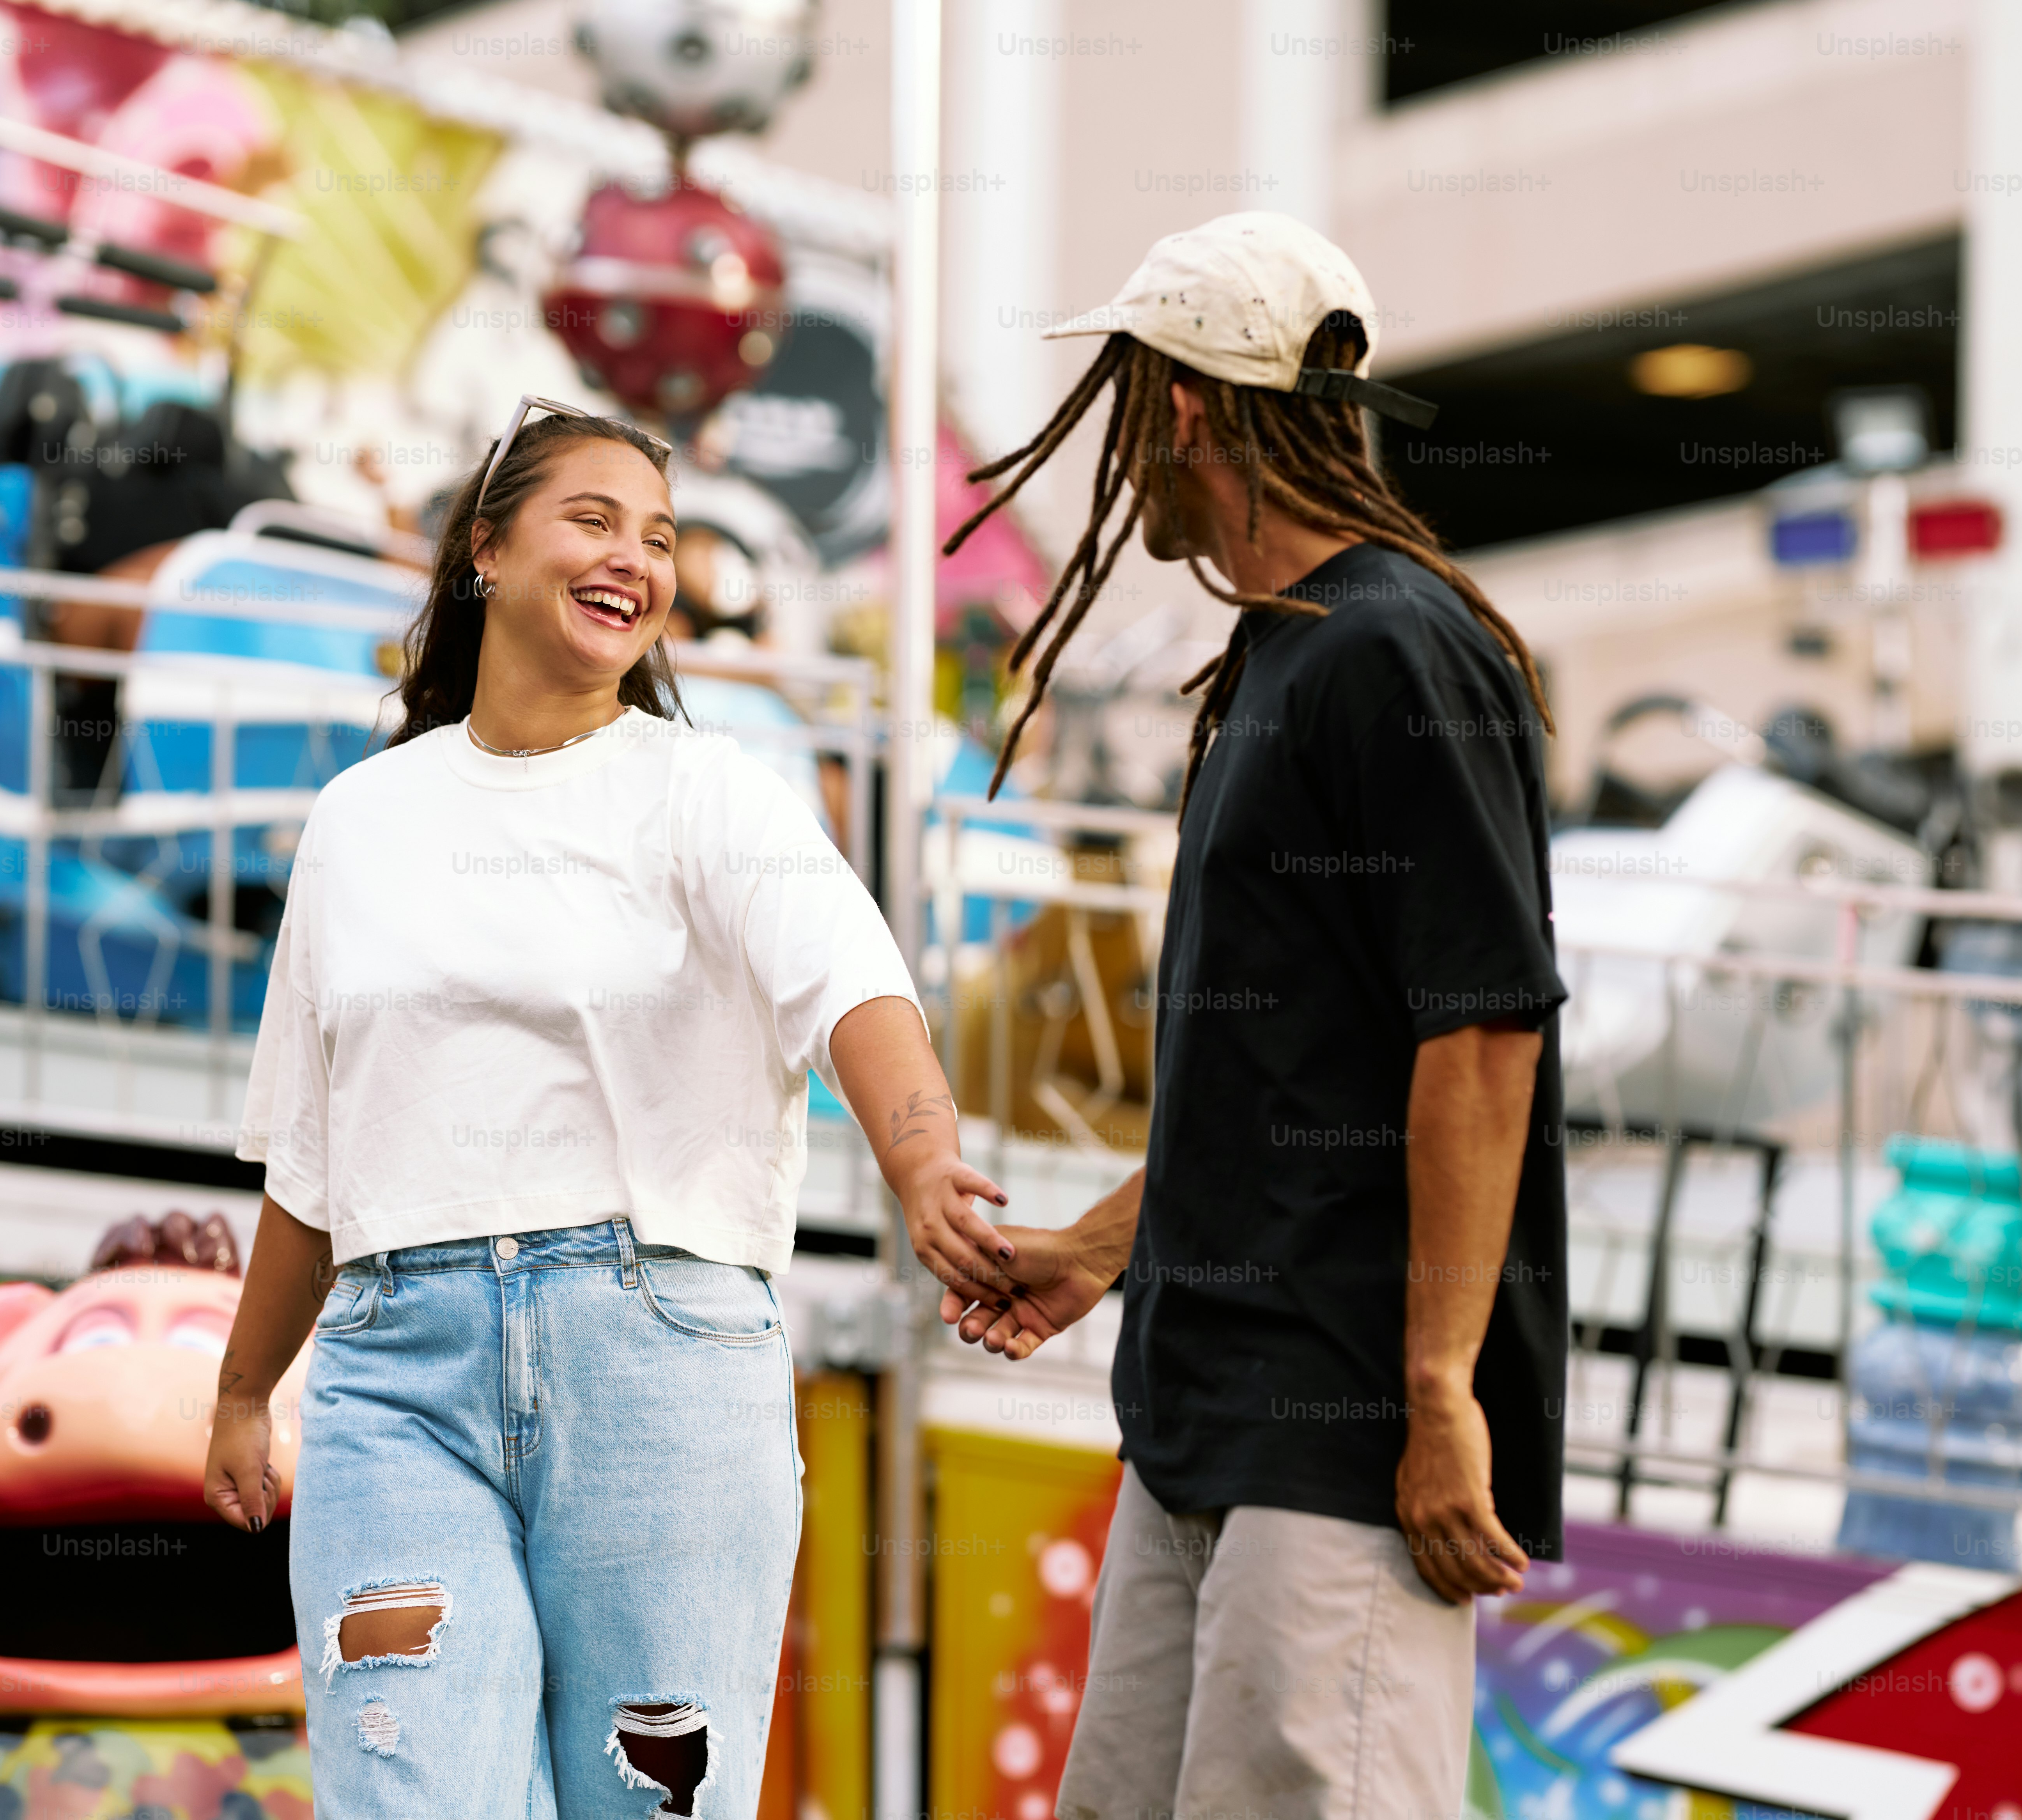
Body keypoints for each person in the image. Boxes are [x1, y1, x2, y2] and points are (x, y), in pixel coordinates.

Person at [202, 398, 1009, 1816]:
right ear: (486, 551)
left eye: (661, 536)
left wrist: (926, 1163)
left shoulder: (707, 793)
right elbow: (312, 1166)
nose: (634, 558)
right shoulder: (358, 822)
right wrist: (240, 1389)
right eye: (594, 519)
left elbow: (855, 990)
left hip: (661, 1369)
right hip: (397, 1381)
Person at [939, 214, 1569, 1819]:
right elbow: (1294, 1078)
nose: (1123, 449)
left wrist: (1436, 1392)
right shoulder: (1286, 653)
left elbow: (1483, 1036)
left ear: (1194, 411)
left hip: (1341, 1424)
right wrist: (1096, 1250)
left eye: (1132, 397)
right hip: (1207, 1408)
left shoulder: (1394, 649)